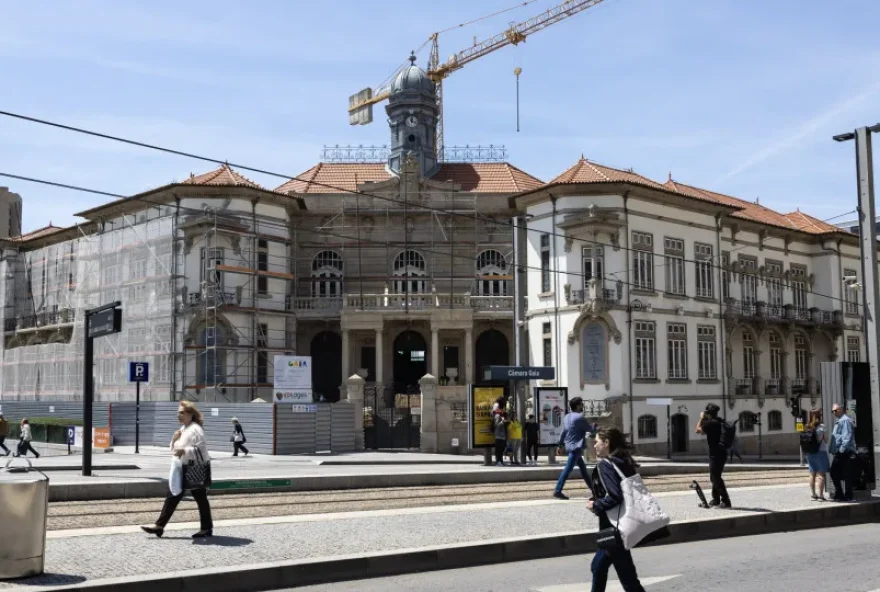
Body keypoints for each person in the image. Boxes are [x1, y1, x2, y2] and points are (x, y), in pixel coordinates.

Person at [586, 428, 646, 592]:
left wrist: (595, 505)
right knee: (598, 567)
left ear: (606, 443)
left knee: (628, 580)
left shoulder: (606, 465)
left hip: (614, 527)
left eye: (597, 441)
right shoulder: (623, 461)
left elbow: (615, 496)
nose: (594, 445)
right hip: (621, 524)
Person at [141, 401, 214, 538]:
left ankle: (206, 528)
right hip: (182, 469)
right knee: (173, 495)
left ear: (191, 414)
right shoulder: (183, 428)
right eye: (178, 412)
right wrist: (174, 439)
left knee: (197, 498)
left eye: (182, 412)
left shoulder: (195, 429)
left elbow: (201, 450)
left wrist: (184, 450)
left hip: (194, 469)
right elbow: (175, 450)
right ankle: (159, 526)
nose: (178, 415)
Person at [553, 397, 592, 500]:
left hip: (569, 446)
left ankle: (595, 491)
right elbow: (590, 429)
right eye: (581, 404)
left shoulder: (566, 417)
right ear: (578, 405)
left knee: (584, 471)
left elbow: (563, 432)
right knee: (567, 469)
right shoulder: (580, 417)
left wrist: (560, 445)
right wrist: (598, 428)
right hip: (576, 447)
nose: (582, 406)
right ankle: (557, 490)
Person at [695, 404, 730, 508]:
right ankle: (716, 499)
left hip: (716, 454)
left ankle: (726, 500)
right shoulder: (719, 421)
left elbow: (697, 429)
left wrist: (701, 418)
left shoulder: (711, 423)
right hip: (722, 453)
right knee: (714, 477)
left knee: (715, 478)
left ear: (708, 413)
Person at [829, 403, 856, 502]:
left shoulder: (845, 420)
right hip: (841, 451)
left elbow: (847, 436)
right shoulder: (840, 420)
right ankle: (841, 494)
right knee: (840, 473)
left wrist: (841, 450)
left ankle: (845, 495)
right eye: (833, 411)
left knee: (836, 472)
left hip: (844, 452)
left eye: (835, 410)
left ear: (841, 410)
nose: (834, 413)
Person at [804, 409, 828, 501]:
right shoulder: (822, 427)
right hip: (820, 452)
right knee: (821, 475)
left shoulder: (807, 426)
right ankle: (821, 495)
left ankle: (814, 494)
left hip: (810, 453)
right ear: (819, 415)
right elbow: (826, 440)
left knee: (812, 474)